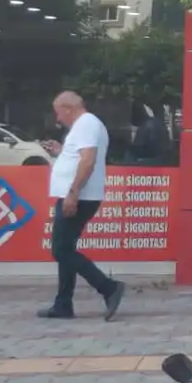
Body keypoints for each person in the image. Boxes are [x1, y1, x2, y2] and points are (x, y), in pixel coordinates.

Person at [38, 91, 124, 322]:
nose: (58, 119)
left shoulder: (86, 124)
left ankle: (108, 287)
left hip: (79, 196)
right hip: (78, 195)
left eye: (58, 113)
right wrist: (61, 151)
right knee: (66, 249)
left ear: (69, 108)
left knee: (61, 250)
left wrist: (73, 193)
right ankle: (63, 304)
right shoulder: (86, 126)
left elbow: (88, 160)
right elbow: (80, 157)